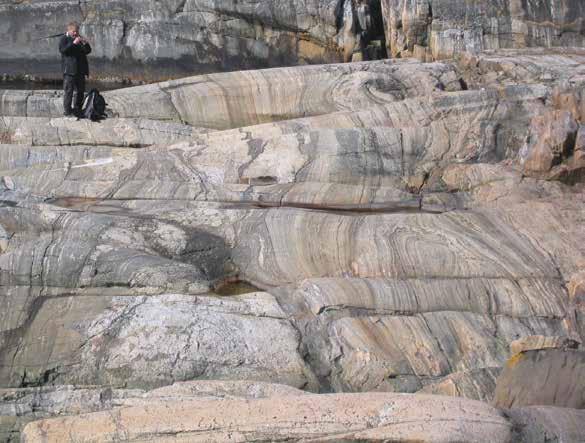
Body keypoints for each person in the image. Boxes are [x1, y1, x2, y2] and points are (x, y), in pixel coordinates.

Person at [59, 22, 91, 117]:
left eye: (77, 31)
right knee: (69, 91)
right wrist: (73, 43)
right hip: (69, 71)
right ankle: (67, 112)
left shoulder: (79, 38)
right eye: (74, 31)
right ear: (69, 30)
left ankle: (77, 110)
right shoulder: (64, 39)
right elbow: (63, 50)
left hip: (80, 70)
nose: (76, 33)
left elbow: (88, 51)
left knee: (80, 91)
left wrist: (85, 43)